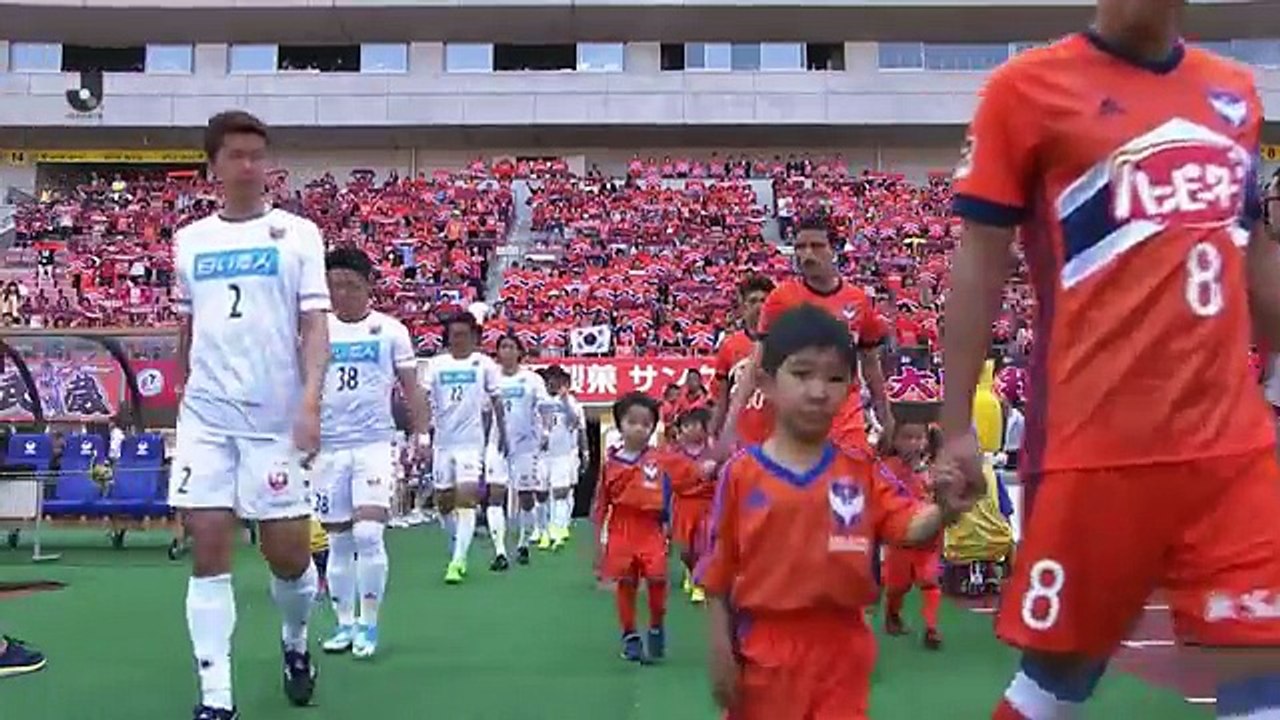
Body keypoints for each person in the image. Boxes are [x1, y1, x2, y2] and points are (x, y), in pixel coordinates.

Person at [942, 3, 1280, 717]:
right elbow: (978, 264)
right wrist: (953, 427)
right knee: (1055, 684)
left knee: (1264, 673)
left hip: (1232, 449)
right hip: (1098, 449)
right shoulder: (1025, 89)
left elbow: (1252, 262)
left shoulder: (1236, 93)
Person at [696, 305, 973, 719]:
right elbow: (717, 574)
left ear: (849, 391)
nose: (818, 390)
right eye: (802, 374)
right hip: (766, 649)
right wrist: (721, 650)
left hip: (844, 647)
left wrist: (946, 510)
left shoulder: (859, 469)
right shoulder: (741, 474)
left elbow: (908, 524)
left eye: (835, 378)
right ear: (769, 384)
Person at [167, 110, 330, 720]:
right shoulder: (190, 240)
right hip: (207, 420)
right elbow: (187, 326)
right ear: (213, 165)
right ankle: (216, 698)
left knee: (287, 556)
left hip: (274, 422)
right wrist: (183, 401)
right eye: (236, 155)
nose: (249, 166)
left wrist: (310, 403)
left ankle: (294, 644)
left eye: (257, 155)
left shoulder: (297, 235)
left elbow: (314, 326)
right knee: (208, 546)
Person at [313, 246, 428, 659]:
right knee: (338, 543)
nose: (342, 293)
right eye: (335, 285)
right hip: (329, 448)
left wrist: (422, 434)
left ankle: (370, 623)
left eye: (351, 285)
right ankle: (344, 625)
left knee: (368, 533)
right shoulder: (316, 330)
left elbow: (411, 387)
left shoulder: (391, 331)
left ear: (368, 287)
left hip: (374, 444)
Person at [724, 217, 891, 455]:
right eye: (800, 247)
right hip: (800, 417)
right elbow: (756, 362)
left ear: (834, 249)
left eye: (816, 246)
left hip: (846, 421)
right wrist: (730, 424)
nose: (806, 254)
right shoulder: (781, 299)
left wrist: (887, 416)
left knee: (850, 487)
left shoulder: (858, 300)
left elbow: (871, 365)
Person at [592, 391, 688, 665]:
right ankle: (630, 635)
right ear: (619, 425)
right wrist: (599, 540)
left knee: (657, 578)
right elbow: (601, 502)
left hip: (651, 528)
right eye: (632, 422)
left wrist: (670, 522)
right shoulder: (611, 464)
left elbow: (675, 489)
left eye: (646, 424)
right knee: (626, 582)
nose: (639, 428)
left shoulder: (661, 459)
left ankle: (656, 624)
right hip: (622, 528)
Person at [422, 312, 506, 584]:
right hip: (443, 444)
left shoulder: (484, 365)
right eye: (452, 335)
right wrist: (422, 437)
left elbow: (496, 403)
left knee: (467, 499)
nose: (456, 340)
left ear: (474, 337)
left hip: (471, 444)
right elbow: (422, 401)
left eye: (462, 335)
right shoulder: (435, 365)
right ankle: (456, 543)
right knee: (444, 502)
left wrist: (502, 434)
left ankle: (458, 561)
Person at [881, 414, 945, 650]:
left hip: (928, 540)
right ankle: (892, 615)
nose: (914, 443)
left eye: (919, 437)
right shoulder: (887, 469)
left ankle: (932, 628)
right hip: (900, 540)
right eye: (907, 437)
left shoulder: (934, 466)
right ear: (894, 440)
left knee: (929, 580)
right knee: (898, 585)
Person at [494, 334, 553, 566]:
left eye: (511, 347)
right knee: (495, 495)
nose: (506, 352)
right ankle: (499, 551)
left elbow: (546, 408)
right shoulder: (492, 378)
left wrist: (546, 432)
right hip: (497, 445)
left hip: (525, 446)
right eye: (502, 347)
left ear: (519, 352)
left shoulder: (532, 380)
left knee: (525, 497)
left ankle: (523, 543)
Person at [709, 275, 774, 440]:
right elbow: (721, 399)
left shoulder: (786, 343)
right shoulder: (729, 346)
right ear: (743, 308)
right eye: (753, 301)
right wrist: (713, 433)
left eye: (763, 301)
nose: (759, 306)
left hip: (776, 440)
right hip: (740, 440)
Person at [667, 408, 717, 604]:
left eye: (695, 425)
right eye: (686, 426)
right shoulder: (675, 455)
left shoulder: (714, 452)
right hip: (684, 506)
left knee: (704, 545)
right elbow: (674, 483)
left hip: (708, 505)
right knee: (686, 550)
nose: (690, 430)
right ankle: (691, 571)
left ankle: (701, 584)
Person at [541, 366, 586, 550]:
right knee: (543, 493)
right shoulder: (541, 400)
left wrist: (565, 399)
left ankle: (559, 529)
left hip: (563, 454)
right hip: (543, 454)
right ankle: (543, 530)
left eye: (557, 380)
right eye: (550, 379)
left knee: (561, 491)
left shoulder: (572, 403)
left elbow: (575, 423)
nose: (553, 383)